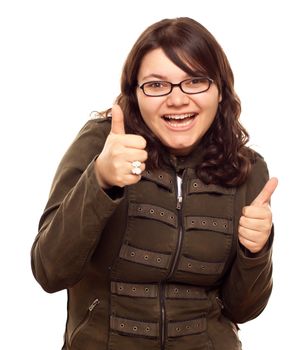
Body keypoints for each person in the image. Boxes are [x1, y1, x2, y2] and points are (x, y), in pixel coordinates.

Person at [31, 17, 278, 350]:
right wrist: (99, 180)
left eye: (195, 81)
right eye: (157, 85)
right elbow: (49, 271)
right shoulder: (102, 145)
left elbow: (243, 309)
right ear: (135, 93)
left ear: (220, 91)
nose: (177, 100)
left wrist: (256, 251)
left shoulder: (246, 169)